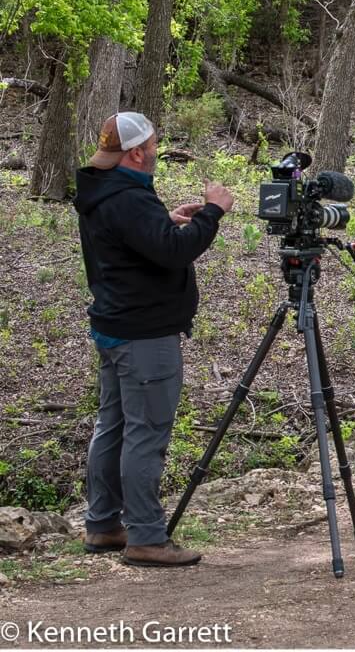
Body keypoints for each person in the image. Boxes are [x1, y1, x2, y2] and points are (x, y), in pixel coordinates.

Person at [74, 111, 234, 566]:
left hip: (115, 326)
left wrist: (165, 220)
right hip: (144, 335)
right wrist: (212, 213)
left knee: (114, 427)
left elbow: (140, 239)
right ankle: (145, 536)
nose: (158, 152)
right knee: (146, 434)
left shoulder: (105, 191)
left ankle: (104, 525)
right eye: (155, 145)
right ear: (137, 152)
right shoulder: (129, 199)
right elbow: (175, 252)